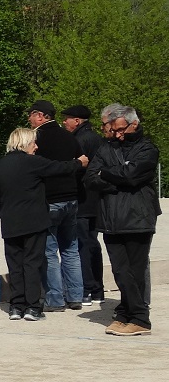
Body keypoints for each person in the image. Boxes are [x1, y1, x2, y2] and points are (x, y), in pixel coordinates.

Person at [0, 128, 87, 321]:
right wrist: (79, 162)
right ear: (25, 143)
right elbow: (59, 168)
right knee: (33, 264)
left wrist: (4, 214)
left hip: (10, 222)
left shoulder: (1, 165)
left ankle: (16, 306)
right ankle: (32, 307)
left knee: (15, 265)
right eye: (33, 143)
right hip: (34, 221)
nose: (36, 147)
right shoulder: (32, 162)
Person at [85, 105, 159, 336]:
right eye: (114, 129)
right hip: (110, 218)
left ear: (133, 124)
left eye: (121, 129)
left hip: (137, 217)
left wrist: (107, 173)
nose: (117, 134)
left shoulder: (147, 148)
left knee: (135, 270)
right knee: (119, 270)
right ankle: (126, 312)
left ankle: (140, 318)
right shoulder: (106, 147)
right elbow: (90, 178)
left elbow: (132, 175)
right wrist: (117, 179)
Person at [27, 100, 85, 311]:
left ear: (40, 116)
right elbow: (81, 163)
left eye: (31, 115)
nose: (29, 119)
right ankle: (76, 296)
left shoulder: (35, 138)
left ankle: (55, 299)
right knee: (70, 249)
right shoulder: (69, 136)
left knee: (49, 251)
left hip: (49, 199)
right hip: (71, 197)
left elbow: (31, 167)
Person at [63, 104, 105, 302]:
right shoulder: (97, 138)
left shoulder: (79, 140)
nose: (64, 122)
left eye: (67, 118)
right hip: (96, 199)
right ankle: (97, 289)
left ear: (77, 121)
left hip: (83, 198)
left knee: (82, 244)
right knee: (92, 243)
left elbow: (77, 168)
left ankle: (87, 289)